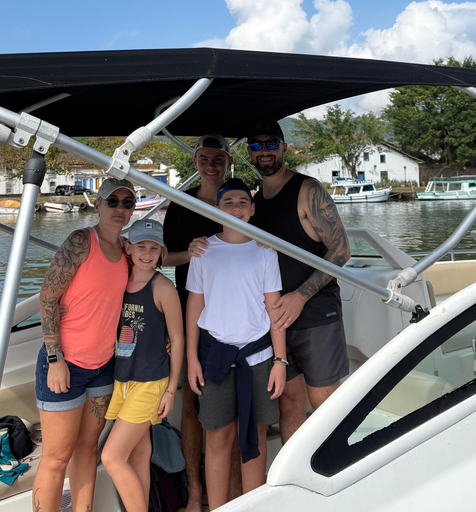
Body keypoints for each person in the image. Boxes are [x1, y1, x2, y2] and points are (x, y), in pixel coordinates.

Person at [33, 178, 136, 512]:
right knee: (56, 458)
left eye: (128, 203)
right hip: (66, 363)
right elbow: (48, 296)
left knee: (88, 448)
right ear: (98, 205)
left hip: (103, 366)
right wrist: (55, 358)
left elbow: (157, 263)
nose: (120, 209)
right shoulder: (81, 241)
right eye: (113, 201)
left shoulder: (128, 251)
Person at [246, 119, 351, 444]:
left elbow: (341, 251)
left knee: (323, 401)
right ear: (249, 153)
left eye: (271, 144)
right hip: (278, 320)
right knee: (289, 402)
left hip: (316, 313)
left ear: (284, 148)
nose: (264, 151)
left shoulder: (308, 190)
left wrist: (300, 296)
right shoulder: (257, 202)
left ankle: (338, 467)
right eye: (256, 145)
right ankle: (295, 473)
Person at [185, 178, 287, 511]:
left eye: (243, 202)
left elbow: (274, 308)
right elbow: (195, 306)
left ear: (253, 209)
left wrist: (280, 361)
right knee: (217, 437)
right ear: (216, 209)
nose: (236, 208)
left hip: (258, 357)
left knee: (255, 435)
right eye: (227, 203)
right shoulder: (203, 251)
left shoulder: (265, 250)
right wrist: (192, 359)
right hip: (214, 356)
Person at [162, 133, 237, 511]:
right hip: (191, 312)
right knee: (191, 404)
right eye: (204, 159)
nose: (211, 166)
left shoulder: (239, 201)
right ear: (195, 163)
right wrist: (188, 254)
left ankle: (235, 494)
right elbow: (164, 257)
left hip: (236, 314)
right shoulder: (180, 204)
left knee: (233, 405)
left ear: (228, 162)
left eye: (218, 159)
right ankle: (194, 493)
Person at [101, 218, 184, 512]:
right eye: (141, 246)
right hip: (122, 379)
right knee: (138, 455)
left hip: (150, 382)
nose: (147, 253)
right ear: (128, 248)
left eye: (154, 248)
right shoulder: (119, 281)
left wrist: (171, 390)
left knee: (111, 457)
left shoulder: (163, 287)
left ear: (161, 252)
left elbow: (178, 338)